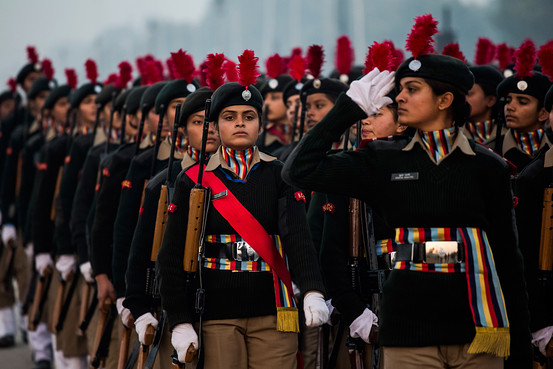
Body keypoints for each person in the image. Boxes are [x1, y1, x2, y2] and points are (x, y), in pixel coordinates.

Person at [282, 47, 532, 369]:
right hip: (406, 330)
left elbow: (508, 261)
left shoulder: (488, 167)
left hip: (477, 328)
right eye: (399, 89)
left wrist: (521, 353)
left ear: (445, 100)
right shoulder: (383, 161)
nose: (399, 97)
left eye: (412, 89)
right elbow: (298, 171)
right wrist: (349, 108)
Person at [157, 68, 328, 368]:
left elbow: (298, 239)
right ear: (216, 125)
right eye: (229, 116)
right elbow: (171, 256)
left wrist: (312, 288)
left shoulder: (280, 174)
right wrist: (179, 321)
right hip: (217, 314)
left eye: (248, 117)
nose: (239, 123)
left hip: (274, 311)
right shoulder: (193, 180)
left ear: (260, 124)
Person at [124, 86, 220, 369]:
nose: (209, 130)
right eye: (199, 123)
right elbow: (140, 249)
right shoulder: (163, 183)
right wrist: (139, 308)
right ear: (182, 130)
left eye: (214, 122)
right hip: (174, 307)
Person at [485, 40, 552, 174]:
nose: (510, 107)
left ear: (543, 113)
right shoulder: (490, 151)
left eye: (522, 102)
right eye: (508, 100)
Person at [464, 65, 504, 143]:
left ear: (491, 100)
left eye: (469, 94)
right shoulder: (452, 134)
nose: (463, 99)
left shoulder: (509, 137)